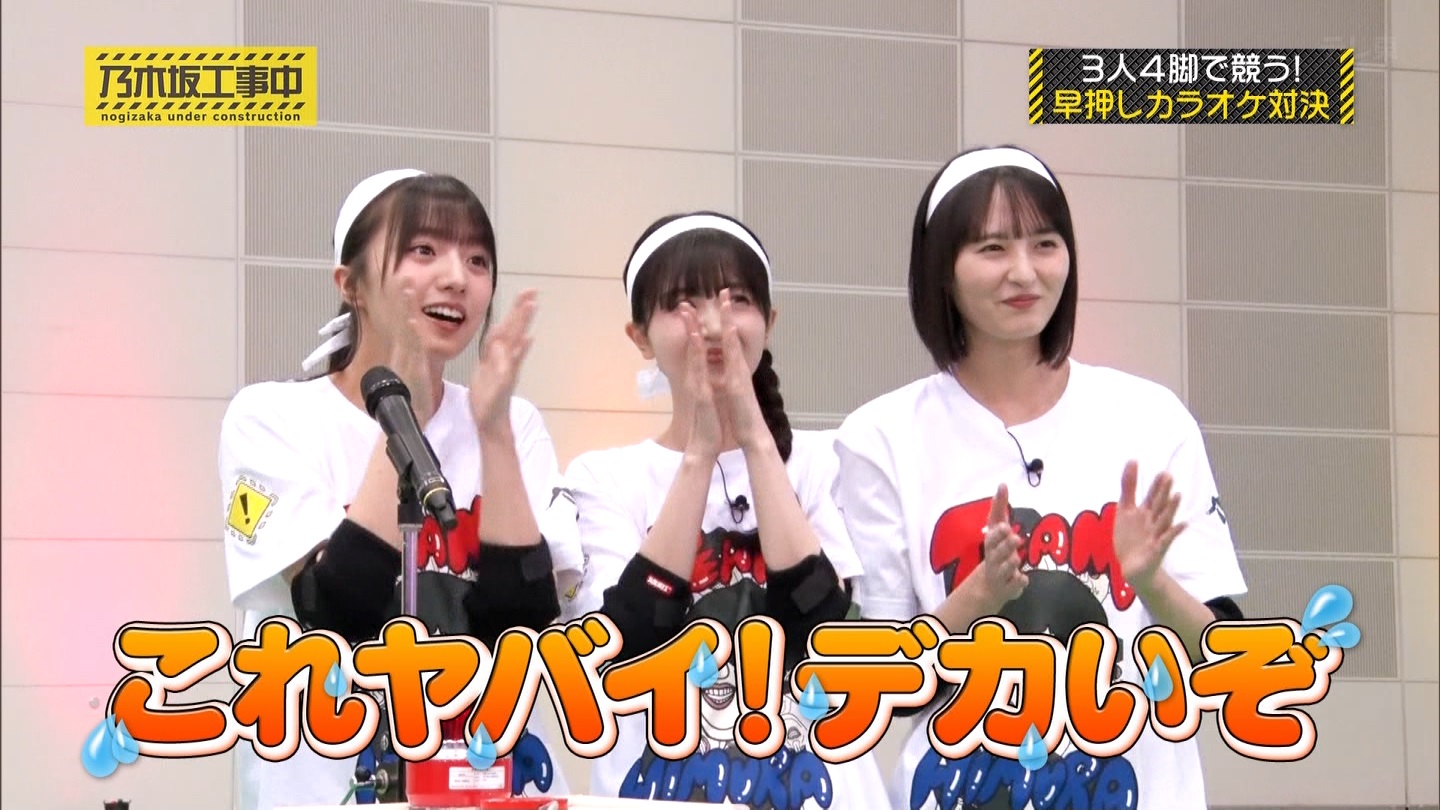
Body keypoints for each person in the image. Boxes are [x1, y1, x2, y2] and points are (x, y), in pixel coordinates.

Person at [831, 145, 1248, 810]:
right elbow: (884, 684)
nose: (1024, 272)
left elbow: (1224, 661)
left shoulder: (1151, 418)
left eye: (1045, 244)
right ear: (942, 269)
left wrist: (1152, 583)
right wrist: (976, 598)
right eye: (992, 248)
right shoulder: (879, 438)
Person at [218, 169, 578, 810]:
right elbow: (337, 609)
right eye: (424, 250)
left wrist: (493, 430)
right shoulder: (272, 418)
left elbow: (520, 627)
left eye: (477, 260)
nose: (457, 277)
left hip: (490, 789)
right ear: (350, 284)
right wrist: (402, 395)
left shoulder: (513, 423)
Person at [557, 212, 889, 810]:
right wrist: (700, 451)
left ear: (770, 322)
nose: (713, 324)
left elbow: (824, 635)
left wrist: (756, 440)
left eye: (737, 299)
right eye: (684, 302)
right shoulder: (601, 478)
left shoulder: (824, 461)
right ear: (639, 335)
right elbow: (625, 645)